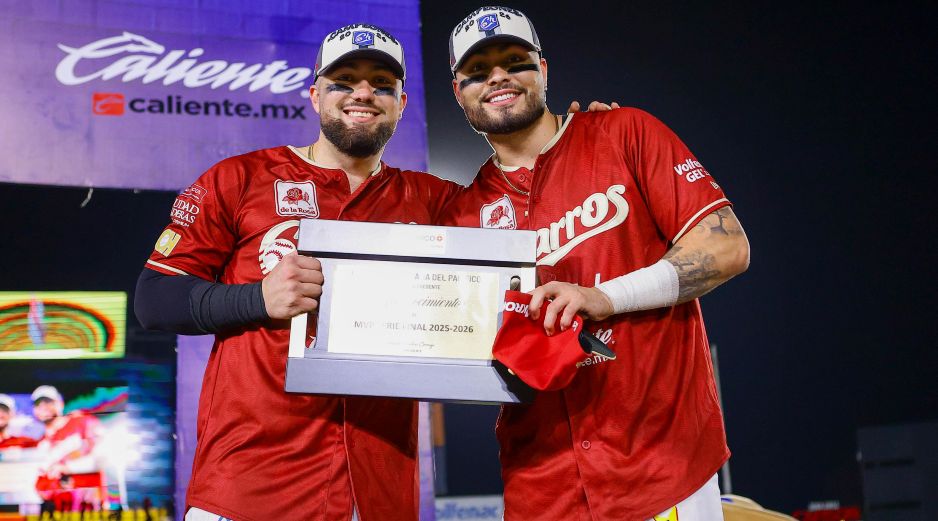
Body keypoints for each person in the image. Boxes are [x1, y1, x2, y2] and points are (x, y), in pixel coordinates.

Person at [134, 23, 461, 521]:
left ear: (402, 102)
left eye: (382, 84)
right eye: (344, 81)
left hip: (376, 492)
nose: (363, 94)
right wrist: (257, 298)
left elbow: (525, 219)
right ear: (314, 95)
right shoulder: (240, 178)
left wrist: (575, 138)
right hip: (250, 486)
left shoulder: (435, 199)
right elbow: (154, 300)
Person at [441, 7, 751, 521]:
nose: (497, 77)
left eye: (514, 61)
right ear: (459, 92)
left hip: (660, 468)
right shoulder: (459, 213)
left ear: (543, 69)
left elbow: (727, 248)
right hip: (542, 488)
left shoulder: (624, 132)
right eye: (477, 70)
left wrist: (603, 298)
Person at [31, 385, 107, 515]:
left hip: (90, 508)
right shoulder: (42, 441)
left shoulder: (83, 422)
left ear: (60, 404)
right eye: (39, 404)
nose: (43, 407)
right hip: (60, 511)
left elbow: (103, 458)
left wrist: (66, 467)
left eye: (48, 402)